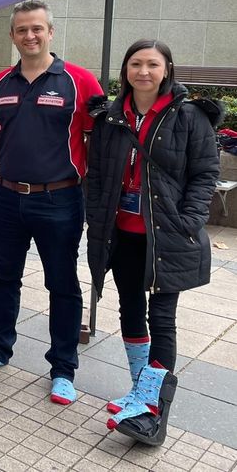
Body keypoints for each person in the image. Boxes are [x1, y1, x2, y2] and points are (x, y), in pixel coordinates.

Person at [0, 0, 103, 406]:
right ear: (12, 36)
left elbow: (99, 142)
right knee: (4, 278)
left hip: (59, 199)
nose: (30, 36)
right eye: (22, 30)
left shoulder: (80, 81)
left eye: (37, 29)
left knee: (61, 285)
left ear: (50, 32)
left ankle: (63, 369)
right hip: (6, 197)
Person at [86, 39, 220, 445]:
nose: (143, 72)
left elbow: (204, 172)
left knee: (161, 318)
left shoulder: (189, 116)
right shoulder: (111, 116)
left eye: (152, 65)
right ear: (126, 70)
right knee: (129, 308)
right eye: (136, 64)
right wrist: (95, 219)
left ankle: (152, 410)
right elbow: (98, 174)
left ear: (167, 70)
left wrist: (191, 219)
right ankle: (139, 392)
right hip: (122, 232)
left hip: (167, 236)